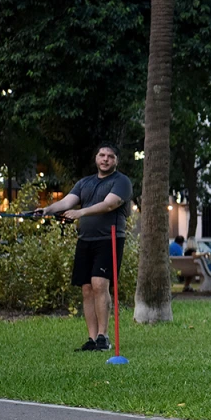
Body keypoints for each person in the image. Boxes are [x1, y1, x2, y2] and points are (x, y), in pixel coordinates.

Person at [36, 143, 133, 352]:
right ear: (96, 158)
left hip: (109, 238)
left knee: (99, 284)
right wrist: (47, 210)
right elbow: (66, 202)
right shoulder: (85, 183)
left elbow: (109, 204)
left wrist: (80, 212)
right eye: (102, 155)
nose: (105, 159)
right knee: (87, 289)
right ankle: (92, 338)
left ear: (116, 160)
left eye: (110, 156)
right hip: (85, 239)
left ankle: (103, 337)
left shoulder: (121, 181)